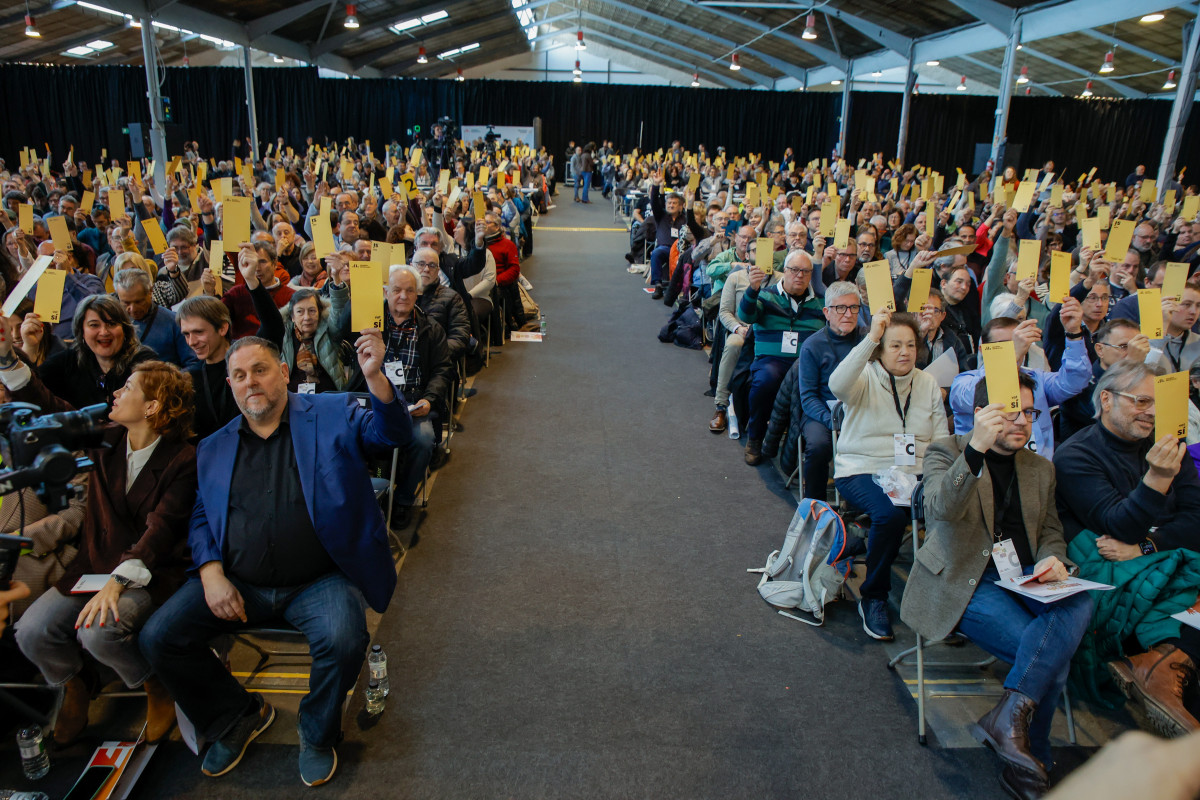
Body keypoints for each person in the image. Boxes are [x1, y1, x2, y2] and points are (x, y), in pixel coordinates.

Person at [139, 333, 410, 787]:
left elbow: (394, 433)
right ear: (230, 385)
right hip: (238, 582)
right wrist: (210, 573)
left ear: (283, 373)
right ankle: (238, 716)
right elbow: (203, 514)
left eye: (260, 370)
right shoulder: (214, 446)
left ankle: (317, 731)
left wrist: (375, 378)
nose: (251, 383)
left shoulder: (333, 413)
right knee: (159, 637)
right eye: (240, 376)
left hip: (319, 579)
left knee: (344, 639)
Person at [901, 375, 1091, 799]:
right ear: (984, 413)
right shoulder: (947, 450)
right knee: (1050, 657)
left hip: (1025, 577)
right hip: (966, 580)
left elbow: (1051, 530)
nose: (1022, 422)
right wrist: (975, 450)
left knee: (1080, 602)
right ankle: (1031, 759)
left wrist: (1050, 556)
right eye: (1011, 412)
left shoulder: (1040, 467)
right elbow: (939, 510)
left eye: (1029, 413)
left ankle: (1009, 726)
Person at [6, 354, 199, 746]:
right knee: (31, 631)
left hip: (151, 573)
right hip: (93, 565)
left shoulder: (184, 459)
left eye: (127, 387)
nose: (116, 391)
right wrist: (8, 360)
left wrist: (117, 581)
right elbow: (50, 409)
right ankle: (75, 682)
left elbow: (160, 531)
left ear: (151, 406)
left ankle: (153, 685)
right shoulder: (107, 437)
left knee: (99, 632)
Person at [1052, 360, 1200, 736]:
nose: (1151, 412)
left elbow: (1197, 518)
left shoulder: (1166, 444)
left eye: (1156, 403)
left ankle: (1161, 668)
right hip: (1104, 569)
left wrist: (1148, 546)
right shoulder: (1075, 455)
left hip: (1149, 558)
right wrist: (1157, 479)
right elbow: (1118, 525)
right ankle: (1161, 670)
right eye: (1141, 401)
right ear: (1106, 399)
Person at [829, 309, 948, 640]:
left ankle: (948, 603)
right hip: (862, 468)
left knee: (952, 510)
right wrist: (871, 338)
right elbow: (836, 384)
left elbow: (940, 444)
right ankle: (874, 596)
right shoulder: (864, 377)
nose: (905, 352)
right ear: (880, 349)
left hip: (916, 473)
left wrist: (938, 483)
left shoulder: (926, 383)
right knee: (891, 515)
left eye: (910, 345)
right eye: (895, 345)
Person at [738, 249, 824, 466]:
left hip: (806, 363)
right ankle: (756, 437)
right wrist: (752, 288)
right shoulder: (766, 295)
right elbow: (746, 316)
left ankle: (800, 449)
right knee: (765, 381)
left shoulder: (820, 302)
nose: (800, 275)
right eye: (794, 270)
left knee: (815, 388)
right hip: (772, 359)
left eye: (805, 271)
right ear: (784, 271)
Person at [796, 281, 864, 498]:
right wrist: (832, 421)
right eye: (840, 308)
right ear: (827, 312)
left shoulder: (867, 340)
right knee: (817, 446)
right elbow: (808, 397)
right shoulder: (813, 346)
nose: (848, 314)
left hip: (862, 410)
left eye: (854, 308)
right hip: (822, 413)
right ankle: (815, 506)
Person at [33, 294, 158, 411]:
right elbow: (31, 391)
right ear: (81, 331)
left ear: (125, 329)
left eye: (111, 324)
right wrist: (30, 347)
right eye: (94, 325)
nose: (104, 332)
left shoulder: (145, 363)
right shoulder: (68, 361)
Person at [114, 268, 199, 370]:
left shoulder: (174, 322)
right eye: (126, 303)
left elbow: (193, 364)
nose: (133, 309)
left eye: (138, 302)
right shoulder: (114, 322)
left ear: (150, 291)